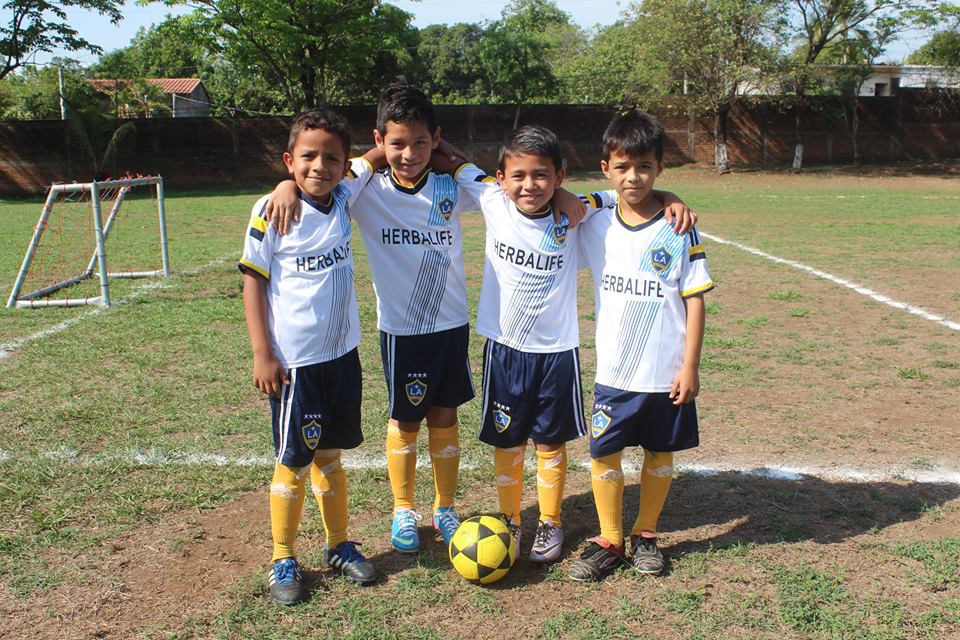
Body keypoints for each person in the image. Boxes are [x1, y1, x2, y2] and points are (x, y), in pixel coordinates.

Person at [447, 126, 697, 564]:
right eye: (518, 176)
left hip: (558, 352)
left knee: (549, 442)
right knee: (508, 443)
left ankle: (550, 520)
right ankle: (510, 520)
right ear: (501, 178)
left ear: (560, 176)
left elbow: (620, 191)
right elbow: (445, 155)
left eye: (541, 175)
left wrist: (670, 197)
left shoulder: (577, 219)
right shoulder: (491, 197)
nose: (529, 185)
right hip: (504, 347)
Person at [239, 108, 379, 605]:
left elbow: (381, 151)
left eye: (332, 158)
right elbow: (252, 282)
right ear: (289, 160)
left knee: (331, 456)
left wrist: (446, 153)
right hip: (295, 364)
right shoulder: (272, 209)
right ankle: (283, 556)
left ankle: (339, 544)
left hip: (342, 356)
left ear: (344, 166)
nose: (320, 166)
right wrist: (263, 353)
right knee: (294, 461)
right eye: (308, 157)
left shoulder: (344, 194)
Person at [568, 110, 714, 581]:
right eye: (624, 166)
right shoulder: (595, 218)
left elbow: (695, 301)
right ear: (607, 167)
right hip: (614, 371)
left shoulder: (678, 228)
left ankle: (646, 533)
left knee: (659, 451)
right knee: (603, 453)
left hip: (664, 369)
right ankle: (609, 537)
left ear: (660, 168)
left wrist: (689, 367)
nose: (634, 177)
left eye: (645, 167)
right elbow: (560, 200)